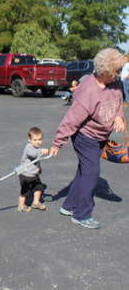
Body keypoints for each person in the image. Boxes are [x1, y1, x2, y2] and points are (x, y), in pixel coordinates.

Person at [50, 48, 126, 229]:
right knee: (91, 173)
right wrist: (57, 143)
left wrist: (119, 115)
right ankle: (81, 214)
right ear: (105, 72)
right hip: (85, 137)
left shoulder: (114, 83)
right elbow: (70, 120)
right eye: (116, 71)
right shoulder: (89, 91)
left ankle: (68, 206)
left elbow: (118, 102)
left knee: (84, 171)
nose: (119, 75)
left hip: (101, 137)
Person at [18, 127, 49, 212]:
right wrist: (41, 151)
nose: (38, 142)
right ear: (29, 139)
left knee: (39, 187)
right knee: (25, 191)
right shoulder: (29, 147)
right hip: (25, 174)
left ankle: (36, 202)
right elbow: (32, 154)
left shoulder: (37, 149)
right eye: (35, 140)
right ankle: (21, 206)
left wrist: (38, 169)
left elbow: (36, 161)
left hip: (34, 174)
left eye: (40, 139)